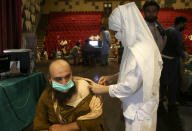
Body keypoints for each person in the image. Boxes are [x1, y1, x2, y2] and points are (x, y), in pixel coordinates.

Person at [89, 2, 162, 131]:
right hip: (135, 106)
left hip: (140, 112)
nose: (116, 35)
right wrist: (113, 77)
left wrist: (102, 89)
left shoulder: (142, 49)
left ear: (128, 27)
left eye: (119, 30)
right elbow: (135, 72)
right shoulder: (133, 44)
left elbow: (130, 86)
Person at [33, 59, 108, 131]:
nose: (64, 83)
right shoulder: (47, 96)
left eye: (67, 77)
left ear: (71, 74)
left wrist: (67, 127)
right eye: (59, 79)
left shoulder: (86, 89)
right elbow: (39, 125)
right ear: (50, 79)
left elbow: (96, 118)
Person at [160, 16, 187, 111]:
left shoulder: (167, 30)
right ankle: (172, 102)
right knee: (173, 82)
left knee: (162, 80)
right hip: (172, 60)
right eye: (185, 24)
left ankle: (161, 97)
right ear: (181, 23)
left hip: (163, 58)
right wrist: (185, 56)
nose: (185, 26)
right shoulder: (177, 33)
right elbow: (178, 49)